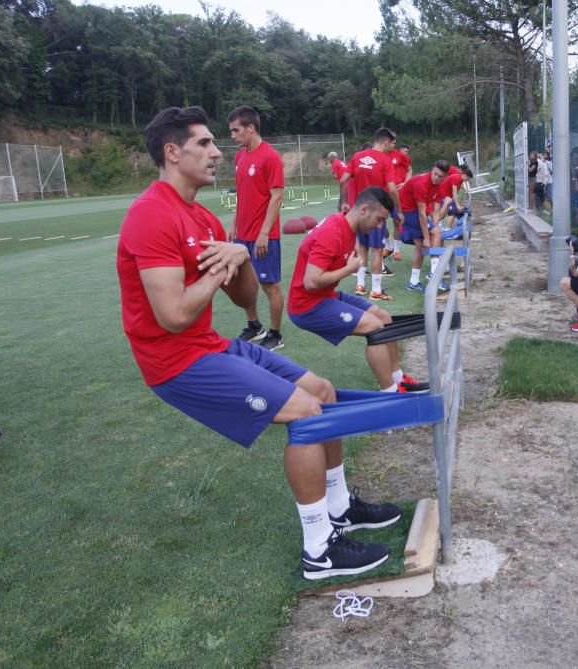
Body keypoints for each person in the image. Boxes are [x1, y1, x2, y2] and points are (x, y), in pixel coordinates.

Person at [117, 106, 397, 581]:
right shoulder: (150, 215)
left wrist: (239, 257)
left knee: (323, 391)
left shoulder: (203, 217)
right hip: (174, 361)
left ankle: (340, 507)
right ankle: (319, 549)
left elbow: (243, 296)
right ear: (172, 152)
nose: (215, 152)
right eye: (204, 143)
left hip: (207, 343)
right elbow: (174, 315)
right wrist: (224, 262)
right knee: (305, 412)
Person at [287, 185, 429, 395]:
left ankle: (400, 379)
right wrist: (348, 269)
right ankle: (390, 394)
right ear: (364, 209)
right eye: (379, 219)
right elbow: (311, 282)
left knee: (384, 317)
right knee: (375, 327)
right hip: (307, 306)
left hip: (326, 296)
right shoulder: (332, 232)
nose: (380, 226)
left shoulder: (346, 224)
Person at [227, 106, 286, 351]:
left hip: (264, 235)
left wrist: (263, 232)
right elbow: (242, 194)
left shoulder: (270, 157)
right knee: (245, 284)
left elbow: (276, 198)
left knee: (269, 285)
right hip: (242, 234)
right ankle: (254, 326)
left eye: (236, 130)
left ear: (251, 128)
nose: (232, 135)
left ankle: (275, 334)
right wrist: (234, 224)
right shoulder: (240, 157)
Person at [339, 128, 404, 302]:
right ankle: (376, 290)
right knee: (376, 251)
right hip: (376, 214)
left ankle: (360, 285)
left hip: (359, 212)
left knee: (362, 249)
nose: (393, 147)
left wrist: (344, 202)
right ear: (385, 142)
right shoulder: (385, 161)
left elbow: (343, 179)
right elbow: (391, 188)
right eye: (392, 143)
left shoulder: (357, 157)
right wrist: (397, 210)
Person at [399, 161, 448, 292]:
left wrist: (435, 225)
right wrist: (428, 236)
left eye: (440, 176)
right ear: (432, 170)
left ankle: (413, 282)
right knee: (435, 235)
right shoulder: (422, 184)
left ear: (444, 177)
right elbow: (421, 214)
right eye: (435, 174)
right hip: (407, 209)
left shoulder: (439, 184)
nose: (436, 177)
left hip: (416, 209)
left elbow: (436, 209)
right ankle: (434, 274)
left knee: (421, 244)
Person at [388, 144, 412, 261]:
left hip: (398, 193)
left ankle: (396, 251)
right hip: (385, 192)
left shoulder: (401, 157)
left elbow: (409, 170)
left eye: (393, 142)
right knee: (378, 221)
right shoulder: (383, 155)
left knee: (397, 221)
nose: (391, 144)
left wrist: (406, 182)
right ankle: (388, 246)